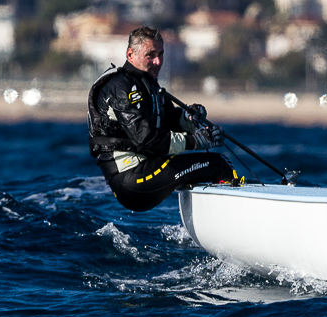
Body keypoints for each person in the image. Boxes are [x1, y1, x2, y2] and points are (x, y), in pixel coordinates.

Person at [88, 24, 243, 212]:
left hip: (143, 172)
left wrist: (188, 119)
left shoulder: (147, 85)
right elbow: (146, 139)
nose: (158, 62)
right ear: (130, 55)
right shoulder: (123, 86)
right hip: (131, 179)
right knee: (219, 165)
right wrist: (195, 141)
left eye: (161, 54)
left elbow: (169, 119)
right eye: (150, 55)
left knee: (212, 167)